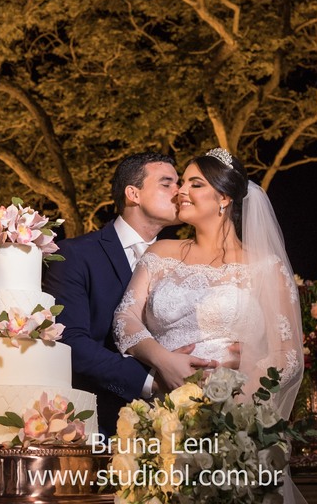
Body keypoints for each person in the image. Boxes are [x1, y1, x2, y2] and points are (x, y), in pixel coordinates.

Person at [113, 148, 305, 497]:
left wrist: (236, 404)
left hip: (236, 418)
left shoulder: (265, 266)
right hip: (165, 412)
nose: (180, 191)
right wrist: (162, 359)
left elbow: (288, 351)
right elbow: (125, 317)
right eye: (181, 182)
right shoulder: (160, 253)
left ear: (224, 198)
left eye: (194, 184)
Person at [44, 151, 216, 435]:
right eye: (167, 183)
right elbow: (71, 341)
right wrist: (150, 381)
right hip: (106, 422)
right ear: (133, 194)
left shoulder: (189, 259)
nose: (180, 191)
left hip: (189, 422)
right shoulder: (76, 254)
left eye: (182, 183)